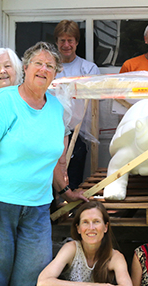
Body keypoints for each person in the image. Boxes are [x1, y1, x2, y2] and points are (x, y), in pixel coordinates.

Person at [0, 41, 87, 286]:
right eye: (38, 63)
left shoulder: (55, 109)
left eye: (50, 65)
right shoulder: (3, 101)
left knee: (33, 277)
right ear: (25, 68)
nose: (43, 69)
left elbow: (48, 161)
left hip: (36, 207)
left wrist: (66, 192)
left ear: (55, 73)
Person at [37, 201, 132, 285]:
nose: (91, 228)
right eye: (85, 222)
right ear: (78, 228)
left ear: (105, 227)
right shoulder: (72, 248)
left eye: (96, 221)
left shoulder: (115, 257)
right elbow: (43, 282)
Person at [53, 20, 100, 189]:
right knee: (51, 180)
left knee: (72, 180)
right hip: (51, 131)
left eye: (70, 40)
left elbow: (97, 99)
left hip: (78, 133)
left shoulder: (88, 69)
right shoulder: (49, 68)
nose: (66, 45)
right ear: (56, 42)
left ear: (77, 42)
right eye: (62, 40)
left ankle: (70, 213)